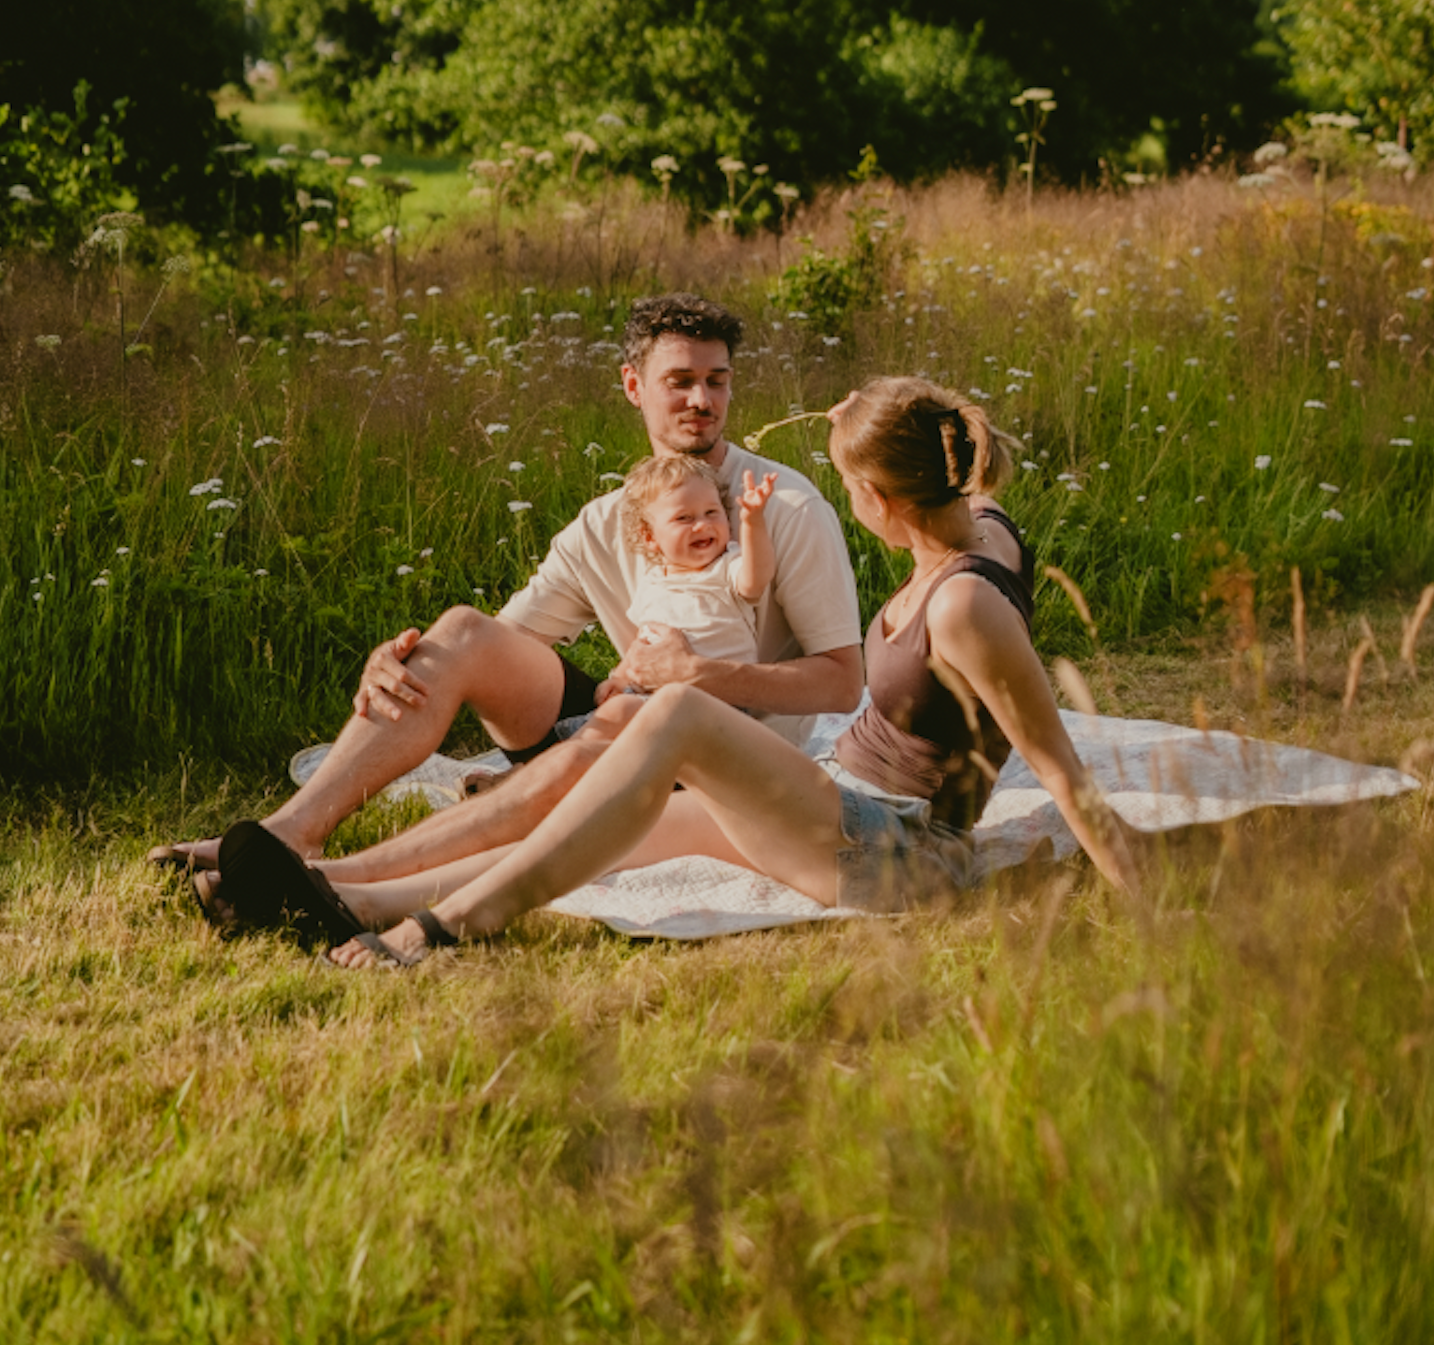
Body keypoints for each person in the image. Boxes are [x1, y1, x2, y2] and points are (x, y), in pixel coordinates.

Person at [211, 376, 1142, 963]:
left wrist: (1151, 913)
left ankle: (444, 932)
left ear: (876, 497)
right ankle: (340, 898)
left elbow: (1058, 767)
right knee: (609, 825)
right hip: (841, 805)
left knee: (673, 720)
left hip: (907, 855)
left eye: (848, 483)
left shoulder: (965, 601)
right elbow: (976, 505)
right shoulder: (980, 534)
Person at [153, 293, 863, 894]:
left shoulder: (785, 508)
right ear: (632, 386)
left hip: (729, 762)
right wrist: (410, 663)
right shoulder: (604, 522)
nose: (701, 401)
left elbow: (840, 683)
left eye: (717, 381)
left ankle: (344, 883)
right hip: (632, 719)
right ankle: (289, 836)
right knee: (461, 632)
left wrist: (700, 674)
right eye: (679, 380)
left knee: (602, 746)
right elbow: (503, 645)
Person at [614, 453, 778, 680]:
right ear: (650, 536)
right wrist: (619, 678)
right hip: (653, 689)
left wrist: (753, 521)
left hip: (719, 694)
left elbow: (756, 579)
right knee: (616, 709)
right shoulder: (652, 582)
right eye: (684, 518)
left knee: (632, 711)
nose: (702, 525)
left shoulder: (726, 567)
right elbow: (642, 642)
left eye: (711, 512)